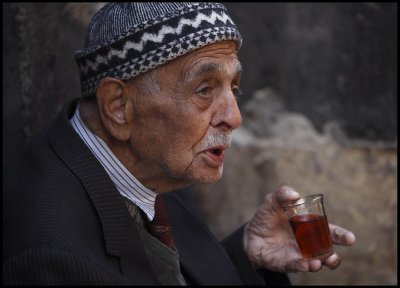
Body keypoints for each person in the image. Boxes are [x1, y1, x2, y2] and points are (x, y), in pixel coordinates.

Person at [3, 2, 356, 285]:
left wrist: (245, 257)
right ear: (118, 106)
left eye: (233, 87)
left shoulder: (155, 161)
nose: (233, 117)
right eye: (204, 90)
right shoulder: (50, 256)